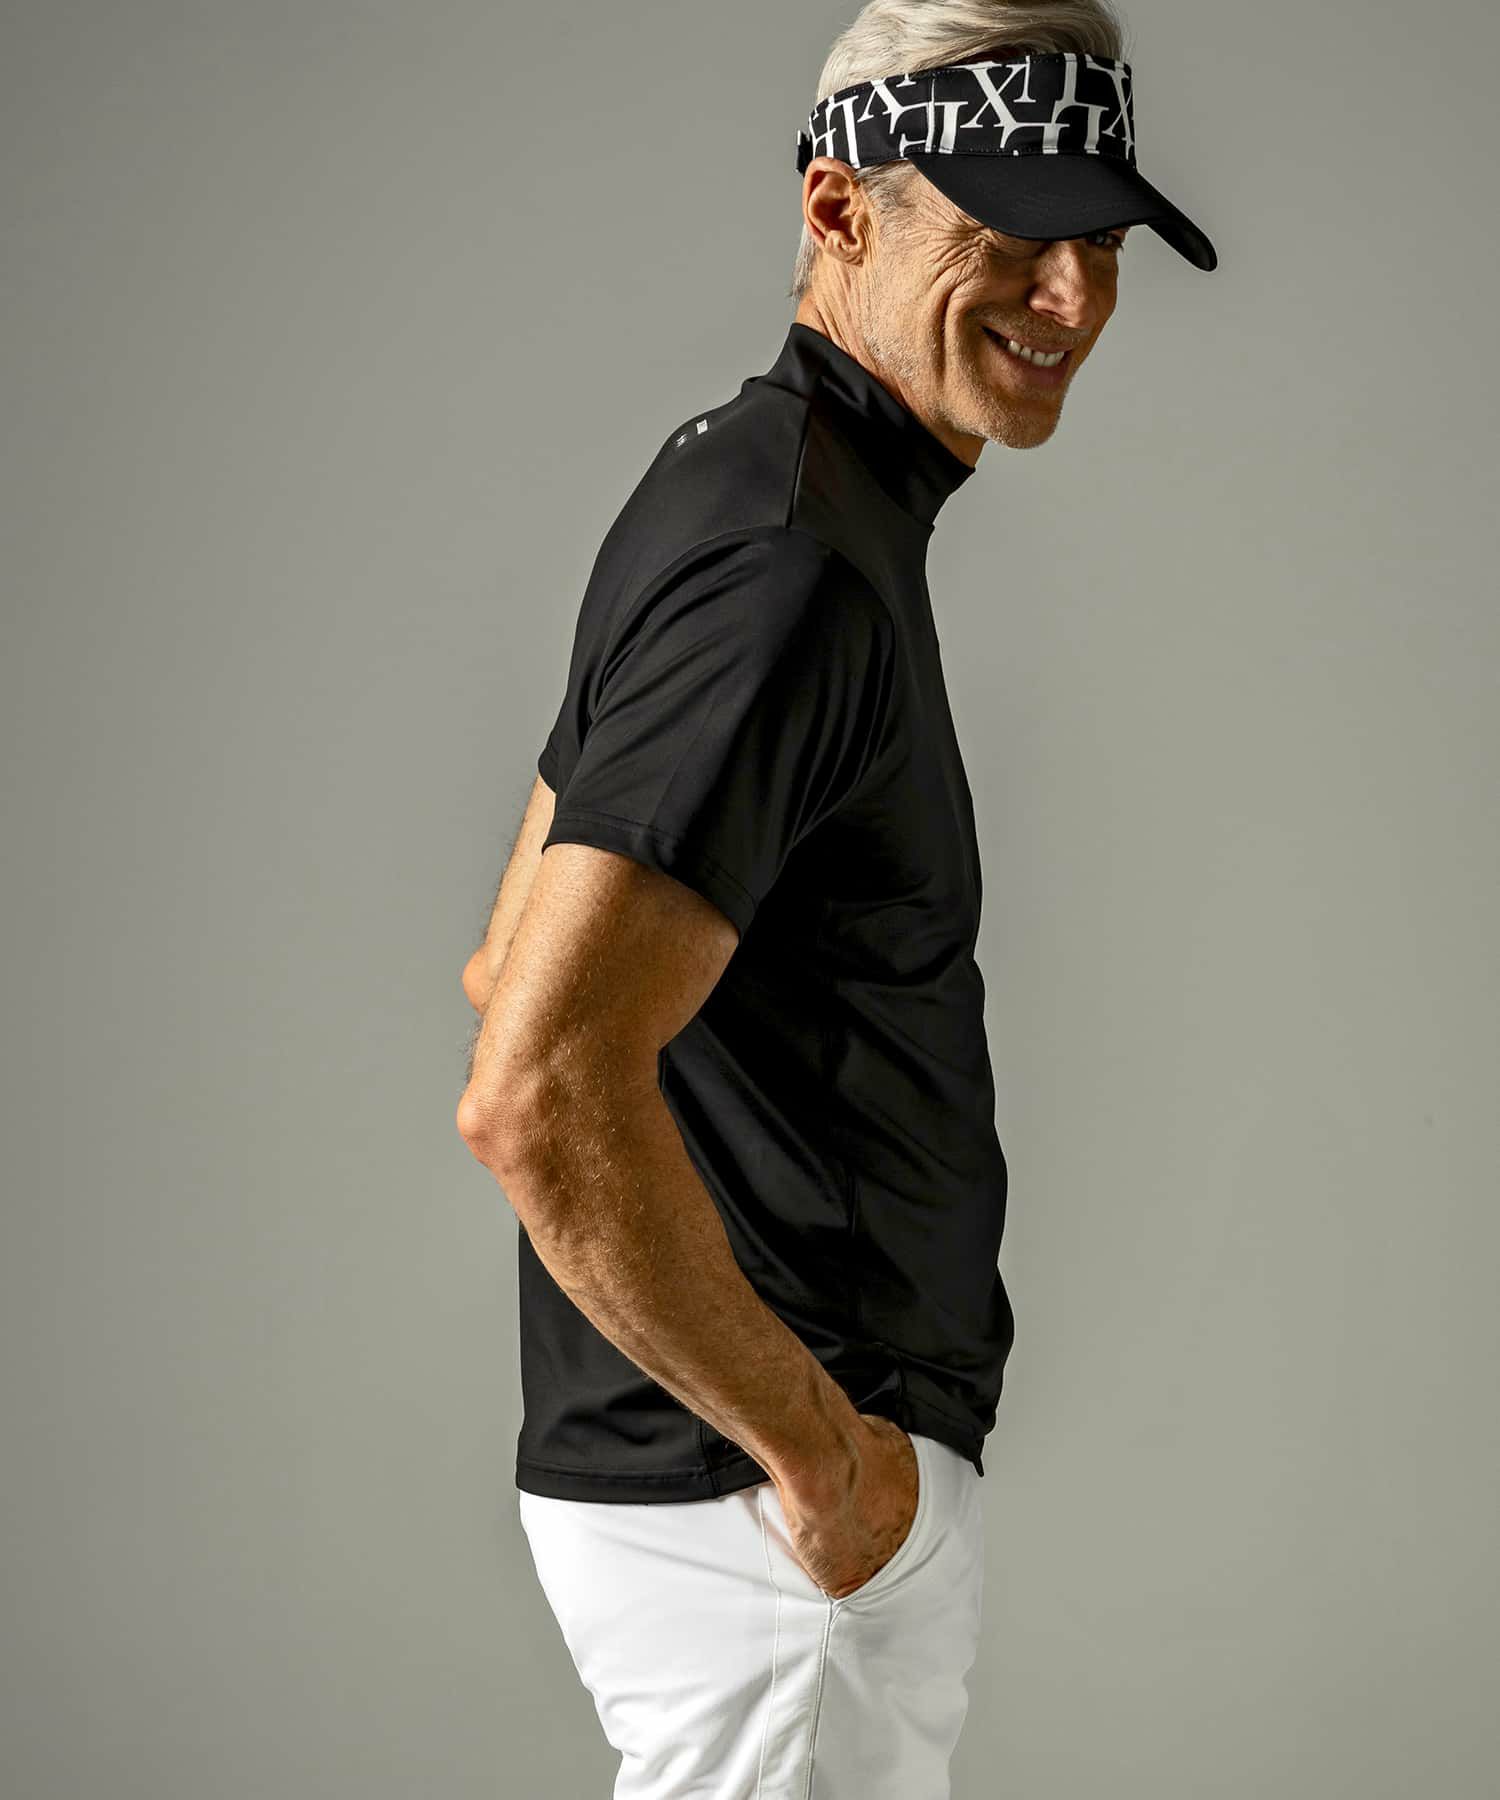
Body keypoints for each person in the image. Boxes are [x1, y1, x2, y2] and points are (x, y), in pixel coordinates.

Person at [457, 3, 1216, 1792]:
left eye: (1102, 240)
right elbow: (536, 1081)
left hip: (726, 1502)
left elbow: (508, 960)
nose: (1073, 294)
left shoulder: (746, 483)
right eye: (1015, 232)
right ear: (840, 208)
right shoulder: (787, 565)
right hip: (765, 1515)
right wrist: (823, 1462)